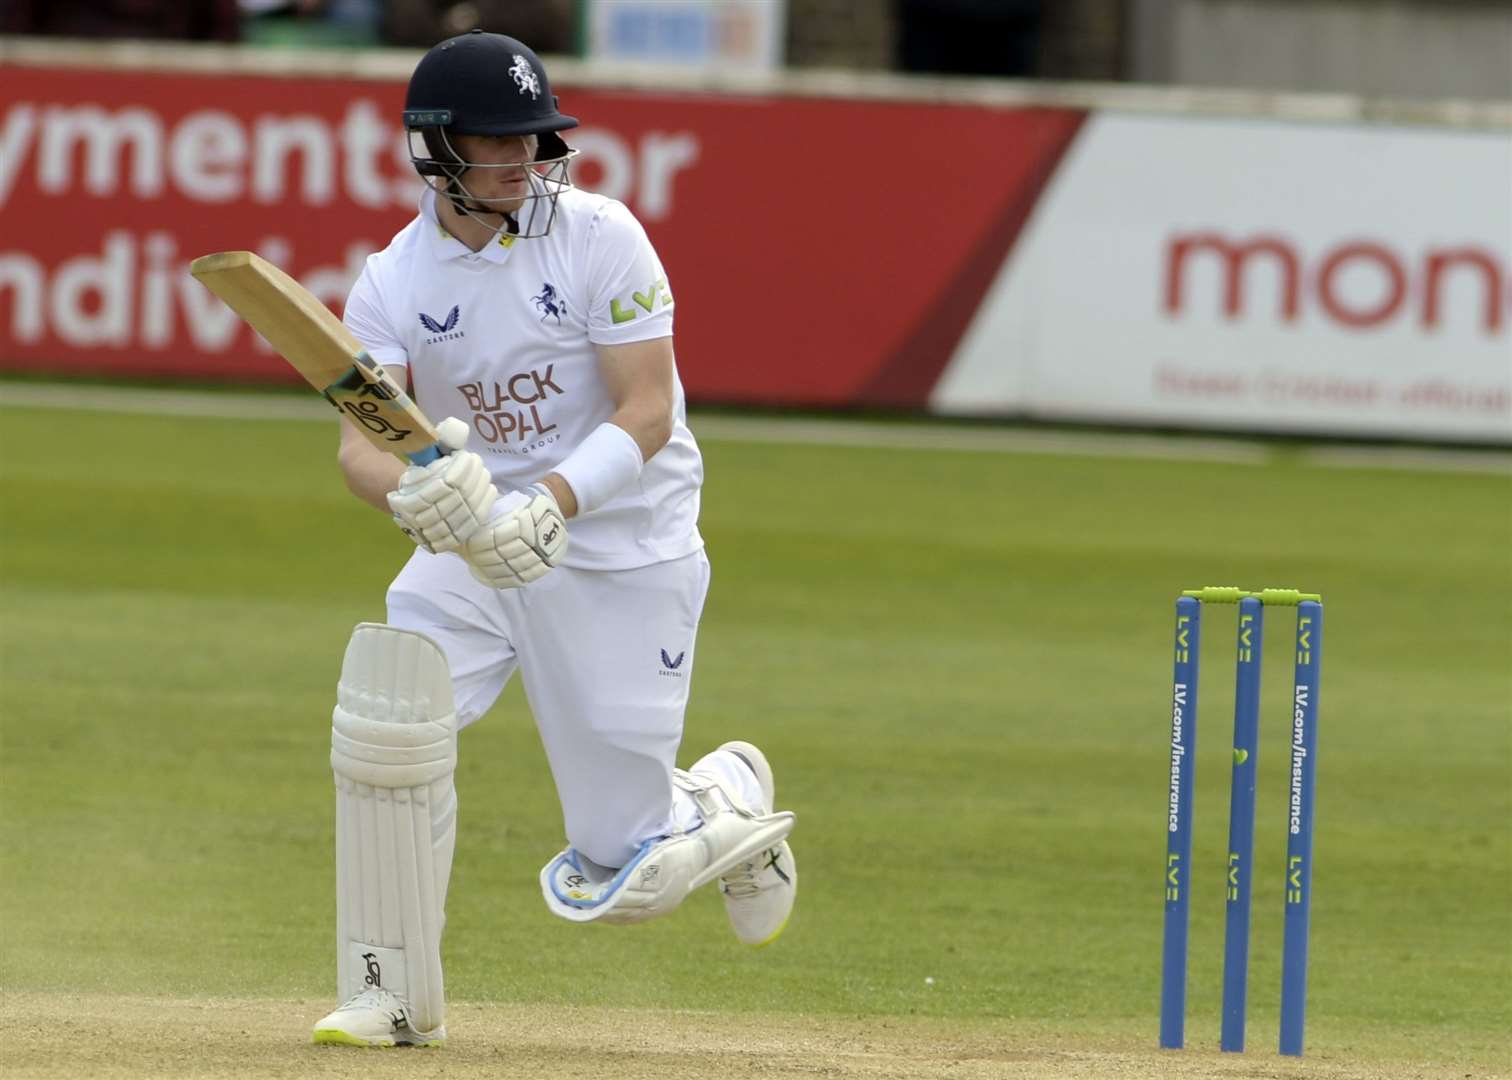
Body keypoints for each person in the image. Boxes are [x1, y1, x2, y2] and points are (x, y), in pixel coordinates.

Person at [308, 31, 797, 1048]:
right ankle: (387, 990)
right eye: (500, 143)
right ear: (436, 150)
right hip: (477, 545)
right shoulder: (389, 281)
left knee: (626, 873)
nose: (525, 161)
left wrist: (554, 502)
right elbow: (364, 443)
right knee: (393, 707)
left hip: (624, 542)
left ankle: (722, 795)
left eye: (535, 140)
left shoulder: (601, 236)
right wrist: (413, 505)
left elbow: (650, 407)